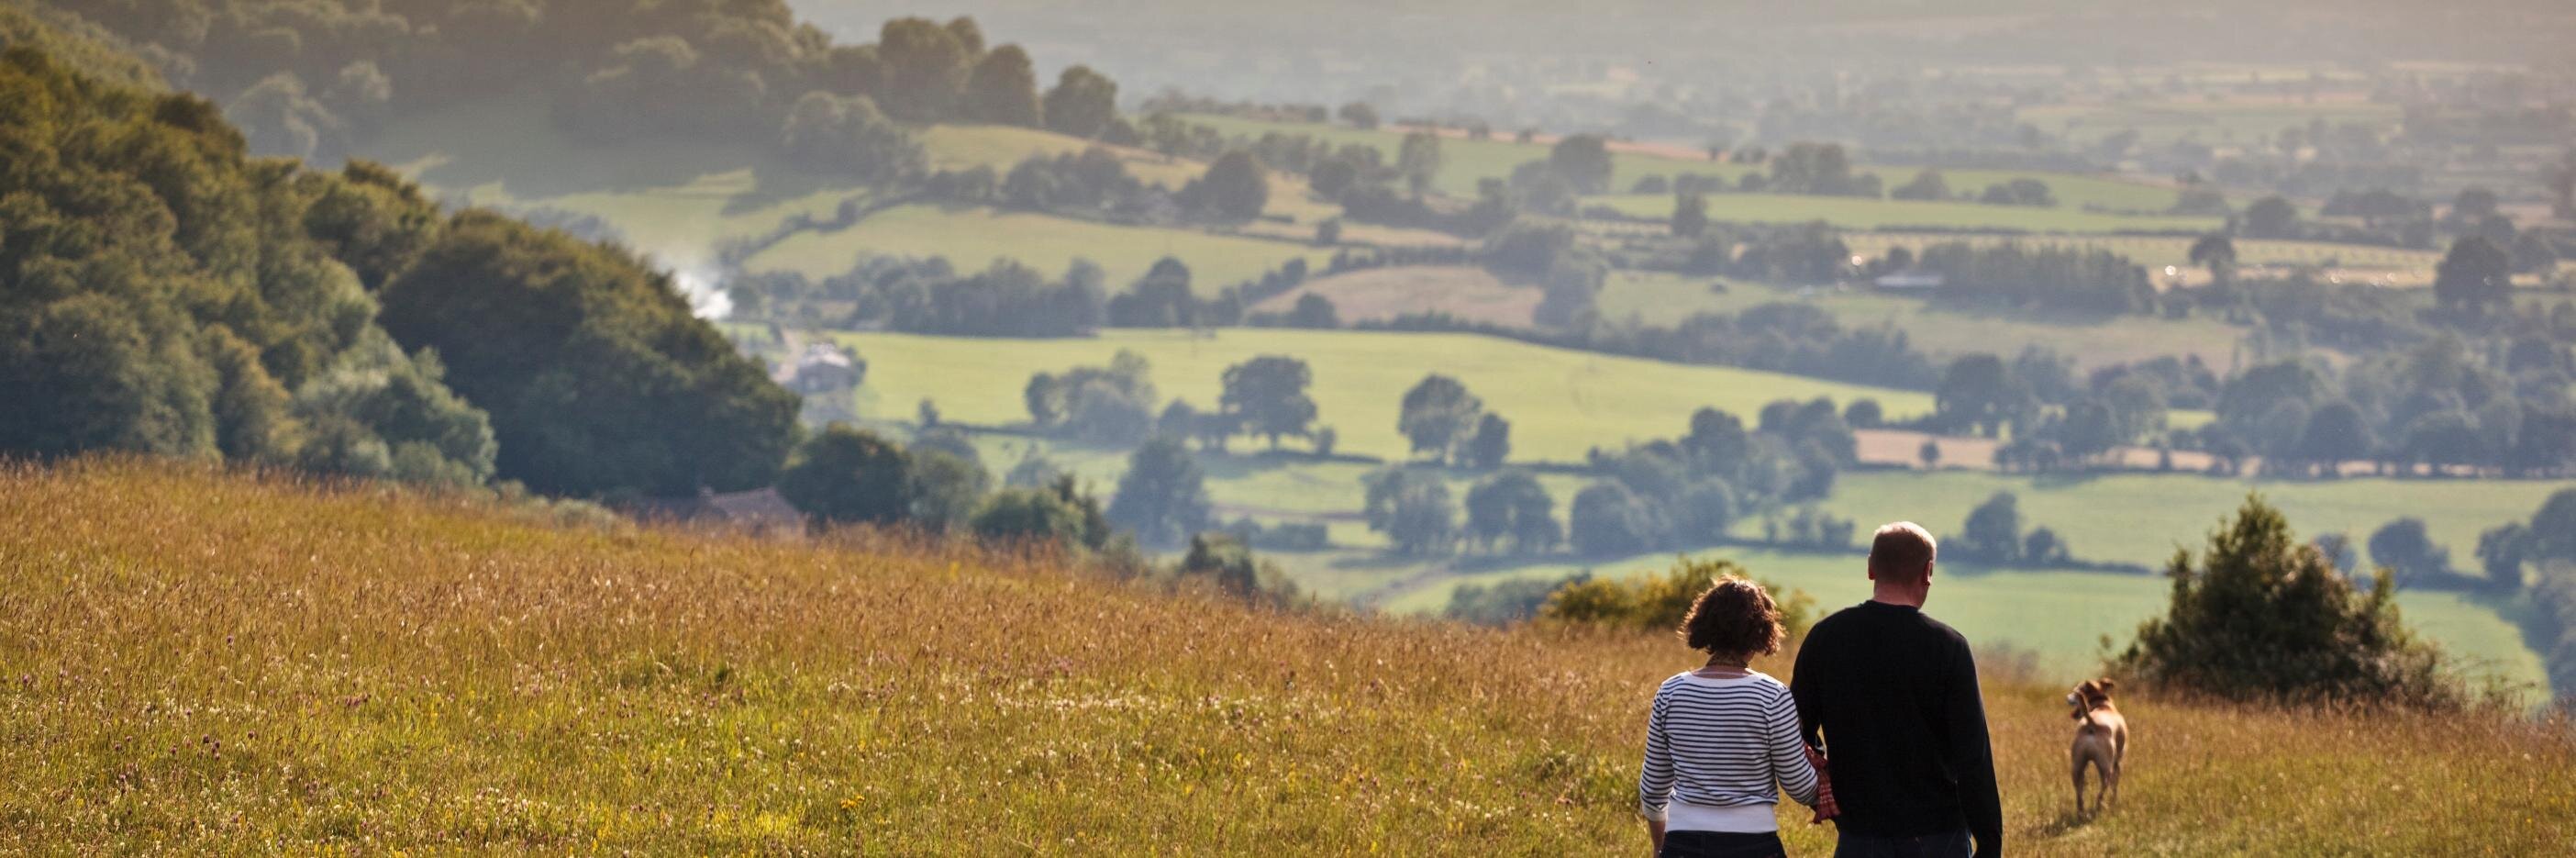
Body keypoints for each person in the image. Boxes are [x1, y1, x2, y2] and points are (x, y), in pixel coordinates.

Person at [1791, 522, 2001, 858]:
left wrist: (1828, 791)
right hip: (1939, 834)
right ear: (1928, 571)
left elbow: (1796, 734)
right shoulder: (1949, 648)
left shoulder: (1825, 638)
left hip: (1859, 833)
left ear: (1871, 567)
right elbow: (1972, 755)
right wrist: (1990, 841)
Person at [1639, 576, 1825, 858]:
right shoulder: (1772, 696)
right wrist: (1831, 789)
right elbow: (1798, 785)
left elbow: (1653, 788)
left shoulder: (1671, 691)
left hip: (1682, 842)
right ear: (1761, 632)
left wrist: (1659, 846)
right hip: (1753, 844)